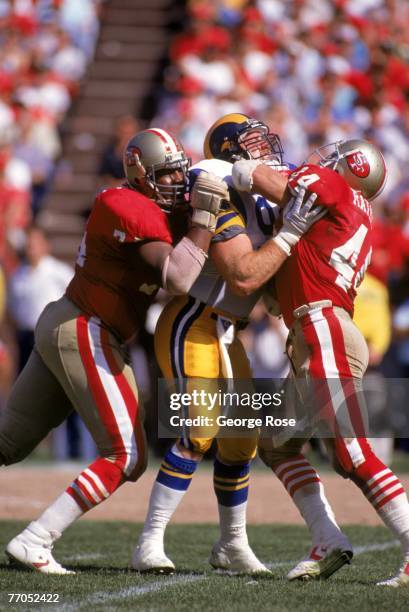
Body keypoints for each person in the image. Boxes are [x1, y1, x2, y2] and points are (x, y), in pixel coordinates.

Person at [0, 127, 226, 575]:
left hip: (73, 325)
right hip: (85, 327)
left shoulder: (157, 208)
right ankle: (36, 539)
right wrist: (203, 219)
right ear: (138, 172)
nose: (175, 185)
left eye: (178, 175)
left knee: (8, 442)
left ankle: (35, 539)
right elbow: (179, 276)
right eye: (165, 176)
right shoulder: (121, 204)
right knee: (127, 454)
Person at [132, 114, 325, 574]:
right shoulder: (213, 181)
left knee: (240, 444)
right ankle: (148, 542)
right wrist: (291, 233)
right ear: (230, 153)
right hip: (192, 322)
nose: (266, 152)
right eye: (253, 144)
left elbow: (271, 291)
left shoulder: (259, 199)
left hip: (227, 332)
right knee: (198, 430)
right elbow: (242, 278)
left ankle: (231, 544)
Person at [232, 139, 409, 587]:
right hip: (315, 331)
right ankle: (327, 537)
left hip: (323, 328)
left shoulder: (333, 187)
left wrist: (237, 166)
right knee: (276, 443)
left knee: (350, 451)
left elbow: (264, 180)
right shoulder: (352, 211)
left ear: (347, 169)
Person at [8, 225, 74, 372]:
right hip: (25, 338)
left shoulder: (59, 271)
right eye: (29, 241)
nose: (31, 245)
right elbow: (12, 308)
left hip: (49, 336)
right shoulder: (18, 275)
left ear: (45, 244)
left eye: (35, 241)